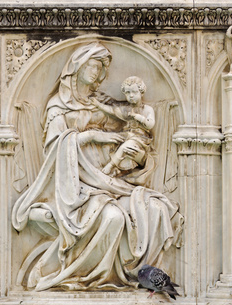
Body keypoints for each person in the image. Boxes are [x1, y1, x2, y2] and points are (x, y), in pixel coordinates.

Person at [11, 42, 181, 291]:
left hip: (112, 180)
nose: (96, 71)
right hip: (75, 185)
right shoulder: (58, 106)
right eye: (92, 65)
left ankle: (142, 278)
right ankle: (87, 277)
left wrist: (140, 159)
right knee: (112, 217)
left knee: (154, 208)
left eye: (100, 67)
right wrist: (90, 136)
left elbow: (131, 144)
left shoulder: (103, 103)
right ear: (77, 68)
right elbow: (54, 152)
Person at [90, 76, 155, 177]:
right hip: (127, 134)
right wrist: (98, 105)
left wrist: (138, 117)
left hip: (140, 138)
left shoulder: (147, 109)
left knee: (126, 147)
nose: (131, 96)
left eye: (134, 92)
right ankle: (113, 170)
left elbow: (150, 124)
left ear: (141, 92)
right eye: (128, 93)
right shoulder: (127, 109)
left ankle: (110, 166)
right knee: (110, 141)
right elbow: (112, 111)